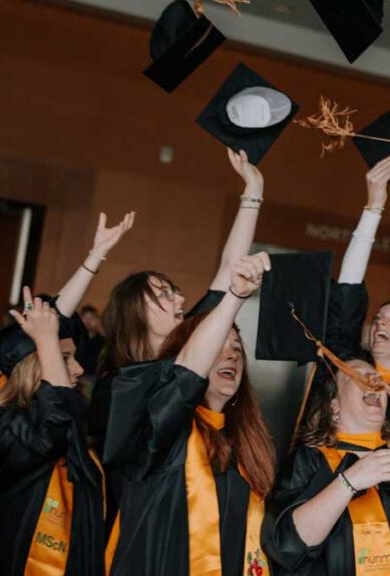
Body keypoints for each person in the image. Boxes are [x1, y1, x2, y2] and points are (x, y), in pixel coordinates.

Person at [103, 253, 275, 576]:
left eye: (237, 348)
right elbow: (185, 378)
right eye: (219, 345)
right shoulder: (162, 430)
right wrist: (235, 296)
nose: (231, 354)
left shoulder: (245, 449)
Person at [90, 149, 265, 455]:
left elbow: (229, 269)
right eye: (163, 294)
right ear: (133, 314)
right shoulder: (120, 384)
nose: (180, 298)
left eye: (175, 290)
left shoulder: (189, 347)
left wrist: (253, 192)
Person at [0, 287, 105, 576]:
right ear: (33, 365)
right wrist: (47, 339)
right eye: (64, 358)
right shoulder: (1, 424)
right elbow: (49, 438)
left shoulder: (79, 423)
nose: (77, 369)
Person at [264, 352, 390, 576]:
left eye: (377, 377)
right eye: (356, 376)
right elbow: (286, 545)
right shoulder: (310, 459)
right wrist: (349, 482)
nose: (372, 379)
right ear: (335, 406)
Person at [320, 155, 390, 463]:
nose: (380, 322)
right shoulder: (348, 369)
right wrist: (373, 209)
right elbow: (348, 290)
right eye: (378, 317)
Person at [0, 211, 135, 401]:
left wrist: (97, 254)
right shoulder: (10, 424)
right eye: (62, 358)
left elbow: (59, 312)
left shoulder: (67, 411)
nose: (79, 369)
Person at [78, 304, 105, 375]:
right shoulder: (75, 340)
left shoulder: (103, 342)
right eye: (85, 318)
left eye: (92, 318)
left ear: (97, 320)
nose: (88, 322)